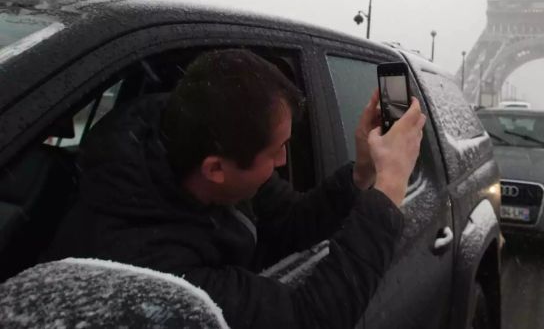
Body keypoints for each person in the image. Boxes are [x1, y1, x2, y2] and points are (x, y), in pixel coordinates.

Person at [45, 49, 426, 329]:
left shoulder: (205, 157)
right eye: (277, 151)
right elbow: (307, 319)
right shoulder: (152, 272)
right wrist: (390, 187)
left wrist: (361, 173)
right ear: (216, 168)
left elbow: (293, 219)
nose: (282, 162)